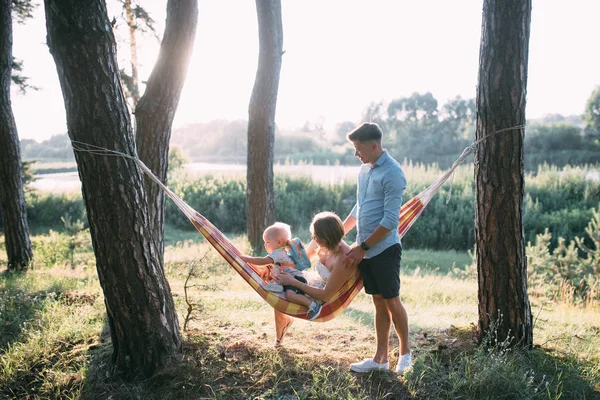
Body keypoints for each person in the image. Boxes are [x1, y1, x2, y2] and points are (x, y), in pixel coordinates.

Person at [342, 122, 412, 374]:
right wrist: (341, 231)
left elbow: (390, 222)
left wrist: (362, 247)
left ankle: (405, 354)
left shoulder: (393, 173)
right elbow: (359, 208)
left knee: (392, 300)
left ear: (374, 145)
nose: (356, 154)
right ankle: (380, 359)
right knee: (378, 303)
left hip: (384, 249)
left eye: (358, 148)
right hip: (365, 249)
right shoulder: (364, 170)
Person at [272, 211, 357, 319]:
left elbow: (326, 295)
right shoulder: (324, 241)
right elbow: (300, 262)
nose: (313, 238)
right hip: (314, 281)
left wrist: (293, 282)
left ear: (326, 237)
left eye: (316, 236)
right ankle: (281, 329)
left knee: (283, 291)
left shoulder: (343, 260)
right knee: (277, 277)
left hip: (320, 296)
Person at [240, 222, 322, 320]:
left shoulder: (278, 253)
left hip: (296, 279)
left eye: (267, 242)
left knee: (290, 295)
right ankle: (277, 287)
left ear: (279, 242)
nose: (265, 245)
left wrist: (248, 259)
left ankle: (313, 305)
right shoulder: (279, 253)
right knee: (277, 288)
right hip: (287, 280)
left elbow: (263, 260)